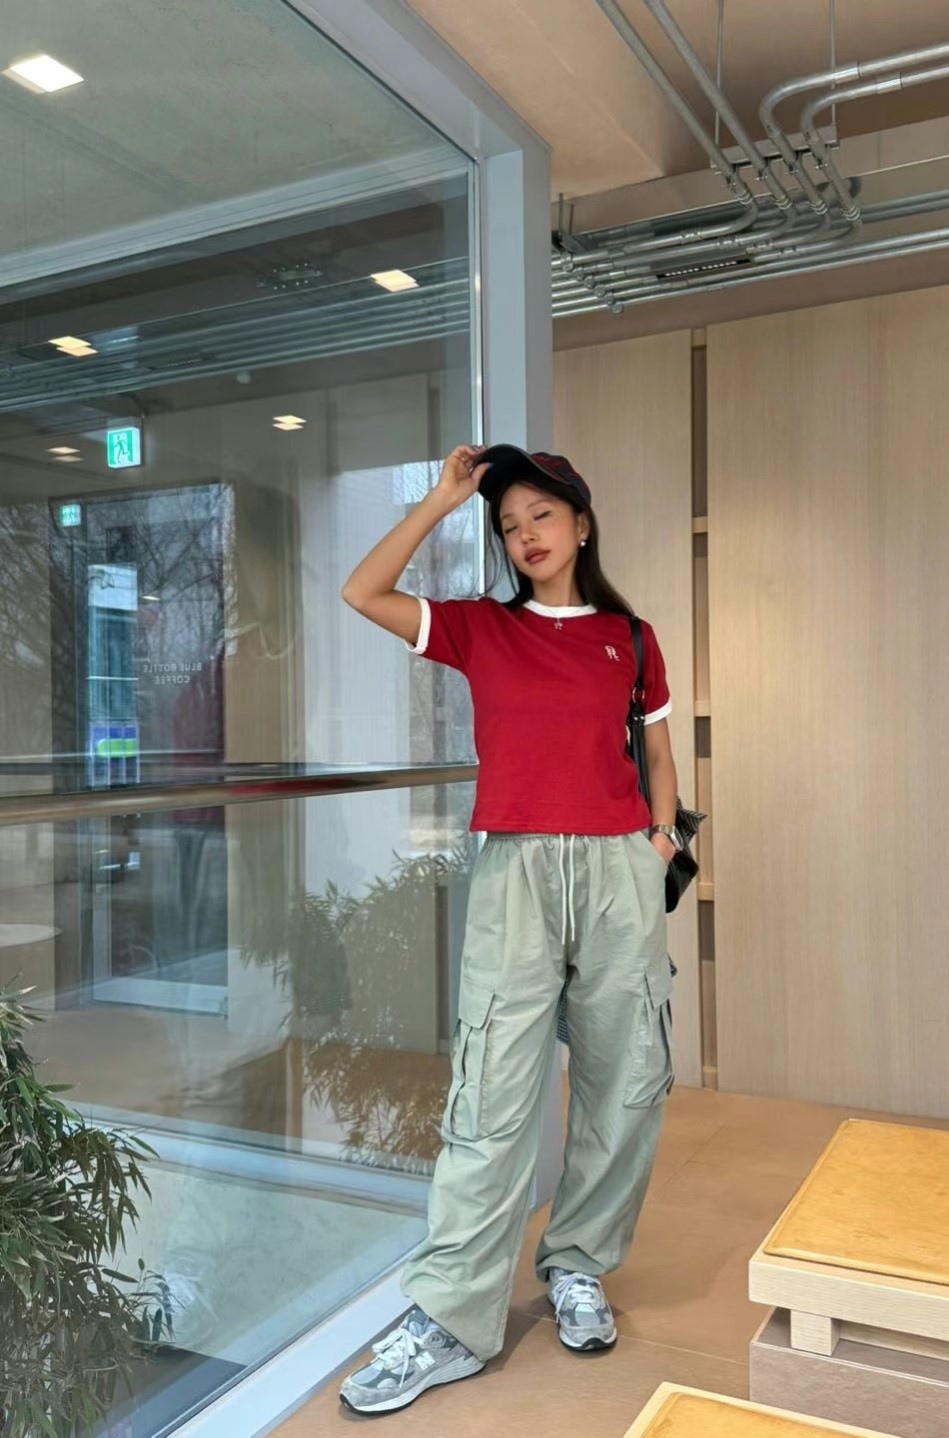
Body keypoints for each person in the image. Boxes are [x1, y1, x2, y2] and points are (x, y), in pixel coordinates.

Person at [338, 443, 682, 1416]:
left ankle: (578, 1263)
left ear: (581, 523)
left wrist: (661, 844)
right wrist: (441, 499)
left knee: (626, 1081)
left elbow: (659, 752)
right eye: (508, 523)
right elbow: (363, 591)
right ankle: (451, 1315)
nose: (525, 534)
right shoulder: (481, 628)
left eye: (541, 514)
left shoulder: (631, 637)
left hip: (617, 871)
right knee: (490, 1090)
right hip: (515, 872)